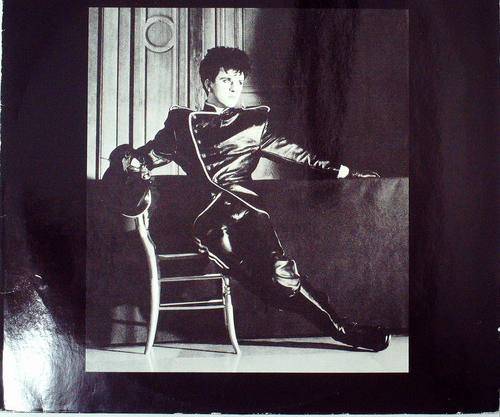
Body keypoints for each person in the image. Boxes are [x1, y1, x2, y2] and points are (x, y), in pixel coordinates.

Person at [120, 46, 390, 352]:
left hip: (248, 211)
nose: (234, 88)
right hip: (208, 219)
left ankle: (343, 329)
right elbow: (145, 157)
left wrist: (345, 171)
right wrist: (129, 163)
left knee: (280, 277)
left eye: (239, 81)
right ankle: (336, 323)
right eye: (226, 80)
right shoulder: (182, 124)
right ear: (208, 83)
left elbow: (296, 154)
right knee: (260, 282)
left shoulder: (253, 123)